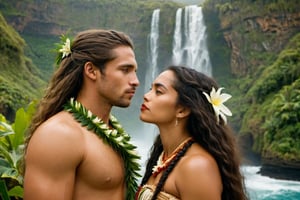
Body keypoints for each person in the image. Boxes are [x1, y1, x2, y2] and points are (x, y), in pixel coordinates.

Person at [23, 29, 141, 200]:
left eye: (135, 71)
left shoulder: (110, 130)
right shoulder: (59, 135)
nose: (135, 81)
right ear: (91, 71)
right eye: (125, 70)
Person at [136, 66, 249, 200]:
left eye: (159, 91)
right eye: (151, 89)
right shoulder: (162, 156)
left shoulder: (197, 167)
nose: (146, 96)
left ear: (182, 110)